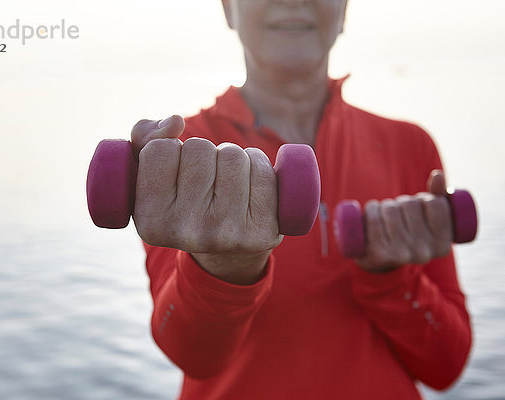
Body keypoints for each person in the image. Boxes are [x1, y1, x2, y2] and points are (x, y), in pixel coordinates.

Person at [130, 0, 472, 398]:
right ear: (228, 8)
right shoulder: (185, 156)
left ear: (344, 10)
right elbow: (193, 355)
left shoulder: (409, 145)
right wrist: (225, 269)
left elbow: (446, 367)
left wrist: (391, 277)